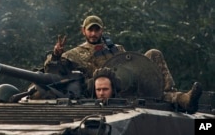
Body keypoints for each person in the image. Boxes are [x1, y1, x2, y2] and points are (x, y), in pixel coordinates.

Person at [44, 15, 202, 114]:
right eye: (90, 30)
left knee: (154, 53)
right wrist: (56, 55)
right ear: (83, 31)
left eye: (96, 30)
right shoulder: (74, 54)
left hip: (130, 86)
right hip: (106, 93)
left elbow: (131, 65)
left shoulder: (116, 49)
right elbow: (54, 71)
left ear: (102, 30)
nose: (93, 34)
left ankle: (172, 93)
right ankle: (178, 99)